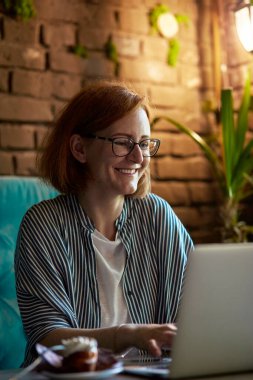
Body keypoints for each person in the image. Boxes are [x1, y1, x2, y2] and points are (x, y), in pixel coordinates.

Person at [15, 80, 194, 367]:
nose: (138, 157)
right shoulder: (44, 224)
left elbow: (195, 313)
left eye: (145, 144)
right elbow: (47, 337)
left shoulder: (159, 216)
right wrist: (128, 335)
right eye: (123, 142)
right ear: (79, 149)